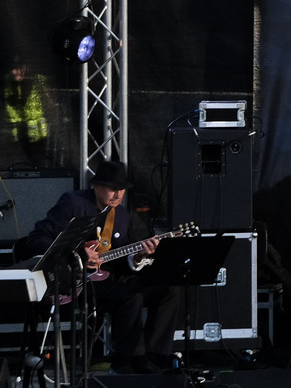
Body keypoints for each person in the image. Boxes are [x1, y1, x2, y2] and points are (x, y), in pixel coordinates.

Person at [20, 157, 188, 373]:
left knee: (168, 290)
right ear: (97, 186)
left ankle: (155, 355)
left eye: (122, 189)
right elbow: (37, 238)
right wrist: (78, 254)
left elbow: (122, 259)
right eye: (112, 189)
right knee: (130, 296)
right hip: (75, 280)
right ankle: (129, 360)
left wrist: (137, 257)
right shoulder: (74, 203)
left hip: (108, 277)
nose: (118, 194)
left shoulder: (122, 215)